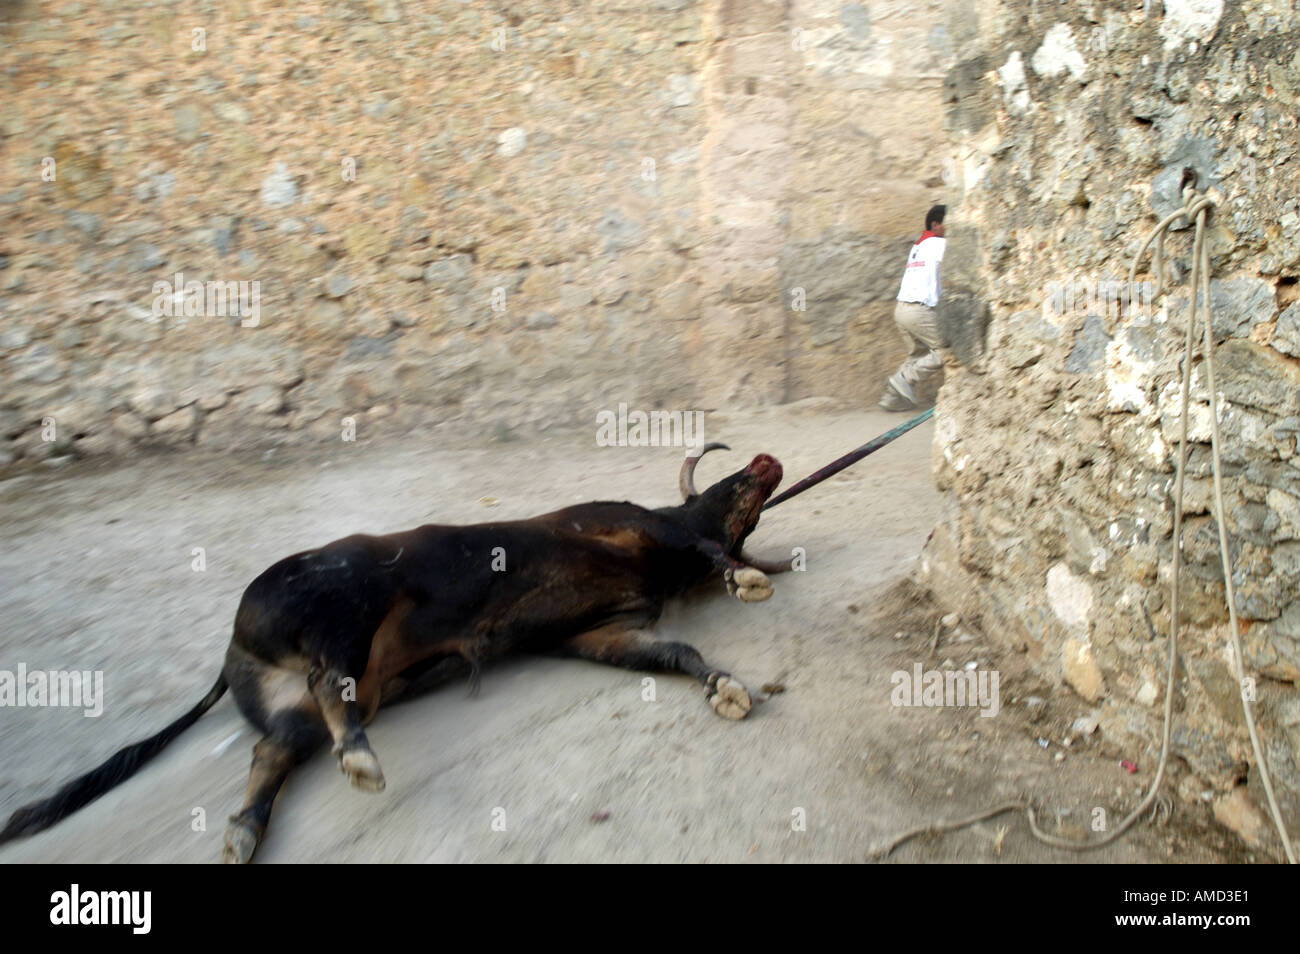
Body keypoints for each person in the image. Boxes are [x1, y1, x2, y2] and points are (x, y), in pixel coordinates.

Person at [879, 204, 947, 411]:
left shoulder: (919, 245)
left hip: (902, 309)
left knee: (917, 355)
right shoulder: (938, 244)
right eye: (948, 224)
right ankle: (904, 378)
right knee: (947, 352)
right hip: (918, 310)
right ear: (935, 224)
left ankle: (891, 399)